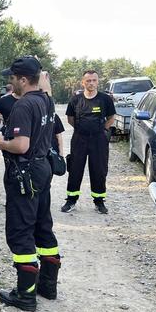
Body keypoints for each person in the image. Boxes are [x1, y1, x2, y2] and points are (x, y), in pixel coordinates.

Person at [0, 56, 60, 312]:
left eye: (12, 78)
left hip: (24, 173)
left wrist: (0, 143)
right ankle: (48, 286)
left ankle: (25, 294)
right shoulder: (47, 101)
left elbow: (21, 145)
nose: (10, 83)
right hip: (42, 169)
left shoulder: (23, 105)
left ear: (22, 79)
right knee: (43, 226)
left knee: (20, 231)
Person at [61, 69, 116, 214]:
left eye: (94, 80)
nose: (91, 83)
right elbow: (70, 119)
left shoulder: (105, 99)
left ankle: (99, 202)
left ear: (98, 82)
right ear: (83, 82)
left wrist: (102, 129)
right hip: (80, 138)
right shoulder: (75, 100)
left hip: (99, 139)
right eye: (88, 80)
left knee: (99, 170)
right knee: (75, 169)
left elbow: (111, 118)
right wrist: (82, 129)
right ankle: (71, 200)